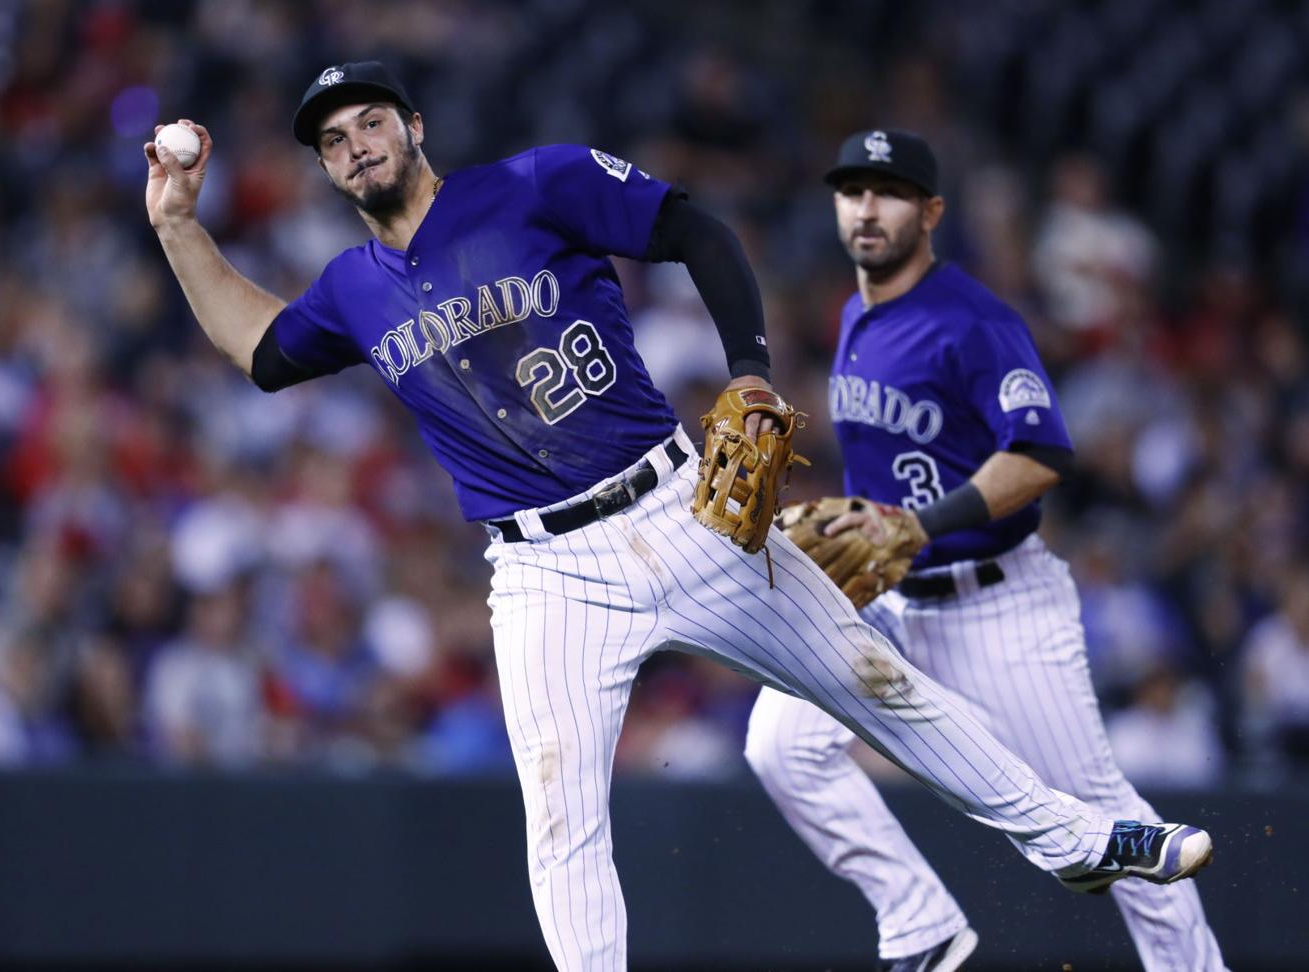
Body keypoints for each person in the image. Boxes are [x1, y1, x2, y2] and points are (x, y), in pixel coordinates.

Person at [143, 66, 1212, 972]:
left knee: (880, 686)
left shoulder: (534, 183)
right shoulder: (351, 288)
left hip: (676, 504)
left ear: (413, 127)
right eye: (334, 139)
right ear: (328, 168)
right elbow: (263, 352)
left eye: (372, 120)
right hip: (543, 573)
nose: (357, 144)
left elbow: (694, 226)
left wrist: (747, 373)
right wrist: (180, 227)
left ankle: (1074, 842)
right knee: (561, 820)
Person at [744, 129, 1225, 971]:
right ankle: (921, 922)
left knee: (1106, 821)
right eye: (852, 190)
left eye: (889, 191)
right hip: (891, 601)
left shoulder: (976, 321)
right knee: (778, 747)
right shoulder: (854, 312)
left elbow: (1042, 454)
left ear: (930, 212)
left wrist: (920, 526)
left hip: (995, 603)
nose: (866, 207)